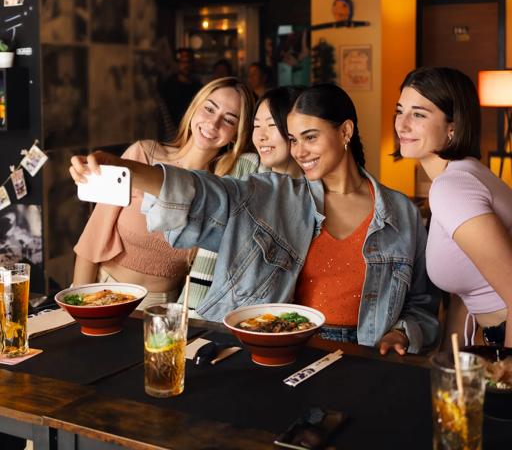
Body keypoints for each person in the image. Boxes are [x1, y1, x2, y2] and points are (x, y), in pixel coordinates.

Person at [70, 84, 439, 355]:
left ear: (344, 131)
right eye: (293, 139)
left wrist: (403, 332)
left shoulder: (400, 213)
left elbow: (421, 302)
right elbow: (205, 195)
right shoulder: (277, 195)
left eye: (310, 137)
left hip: (365, 355)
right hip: (286, 350)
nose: (299, 151)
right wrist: (126, 168)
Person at [72, 77, 255, 310]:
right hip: (102, 289)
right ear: (195, 108)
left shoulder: (219, 189)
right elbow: (91, 240)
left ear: (237, 134)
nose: (213, 123)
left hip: (161, 307)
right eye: (209, 109)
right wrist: (78, 305)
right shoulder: (143, 155)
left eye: (229, 119)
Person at [395, 66, 512, 347]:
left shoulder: (452, 188)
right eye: (400, 110)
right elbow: (464, 295)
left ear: (453, 127)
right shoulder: (466, 173)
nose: (402, 124)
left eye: (419, 114)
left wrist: (507, 375)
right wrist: (446, 360)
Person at [181, 86, 304, 316]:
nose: (262, 135)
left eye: (271, 124)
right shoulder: (246, 165)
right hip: (197, 305)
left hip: (254, 317)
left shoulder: (309, 194)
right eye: (256, 125)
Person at [158, 48, 203, 127]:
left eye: (188, 62)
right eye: (182, 62)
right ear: (177, 64)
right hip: (173, 131)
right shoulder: (168, 86)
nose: (186, 65)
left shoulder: (197, 86)